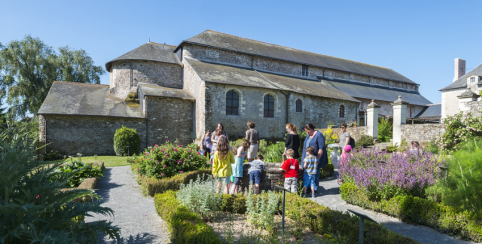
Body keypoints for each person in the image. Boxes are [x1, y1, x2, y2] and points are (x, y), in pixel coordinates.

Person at [302, 124, 328, 193]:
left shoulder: (319, 135)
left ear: (310, 129)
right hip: (307, 158)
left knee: (315, 175)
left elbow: (321, 148)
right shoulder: (309, 134)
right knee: (307, 174)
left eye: (307, 131)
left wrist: (317, 159)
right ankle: (307, 189)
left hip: (314, 159)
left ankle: (314, 189)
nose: (306, 132)